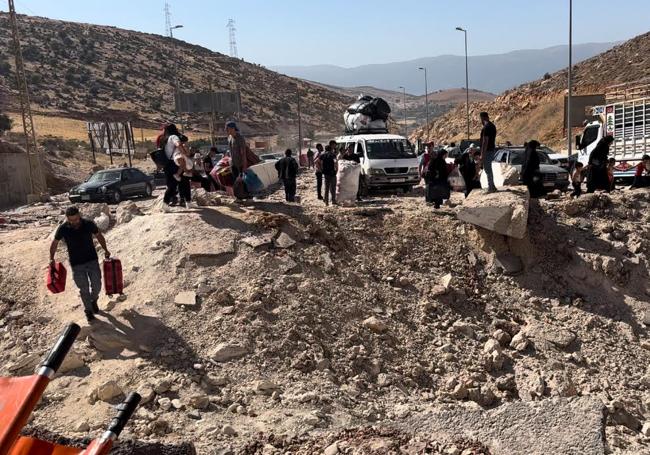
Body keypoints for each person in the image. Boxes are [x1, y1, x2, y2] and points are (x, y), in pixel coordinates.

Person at [50, 206, 110, 323]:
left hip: (92, 260)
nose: (74, 222)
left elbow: (99, 236)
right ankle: (88, 311)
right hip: (76, 264)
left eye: (76, 219)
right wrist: (51, 258)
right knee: (84, 289)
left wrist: (105, 250)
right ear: (67, 218)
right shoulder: (63, 228)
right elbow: (54, 243)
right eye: (71, 220)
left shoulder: (88, 224)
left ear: (79, 216)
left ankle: (93, 300)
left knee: (97, 285)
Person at [162, 124, 187, 211]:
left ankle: (169, 202)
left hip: (167, 164)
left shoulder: (165, 139)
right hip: (174, 163)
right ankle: (167, 203)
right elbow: (178, 144)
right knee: (177, 183)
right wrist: (184, 152)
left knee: (171, 185)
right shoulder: (173, 137)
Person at [479, 112, 498, 193]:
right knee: (488, 169)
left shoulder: (486, 127)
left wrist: (482, 154)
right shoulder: (492, 126)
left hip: (487, 151)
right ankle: (492, 186)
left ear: (482, 118)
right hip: (491, 149)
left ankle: (491, 187)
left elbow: (485, 141)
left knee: (487, 169)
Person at [317, 140, 338, 206]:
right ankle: (333, 201)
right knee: (333, 187)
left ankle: (326, 202)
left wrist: (320, 169)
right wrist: (336, 169)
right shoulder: (333, 155)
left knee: (326, 188)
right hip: (332, 173)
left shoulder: (323, 155)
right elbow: (335, 162)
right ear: (331, 149)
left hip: (326, 173)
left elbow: (317, 162)